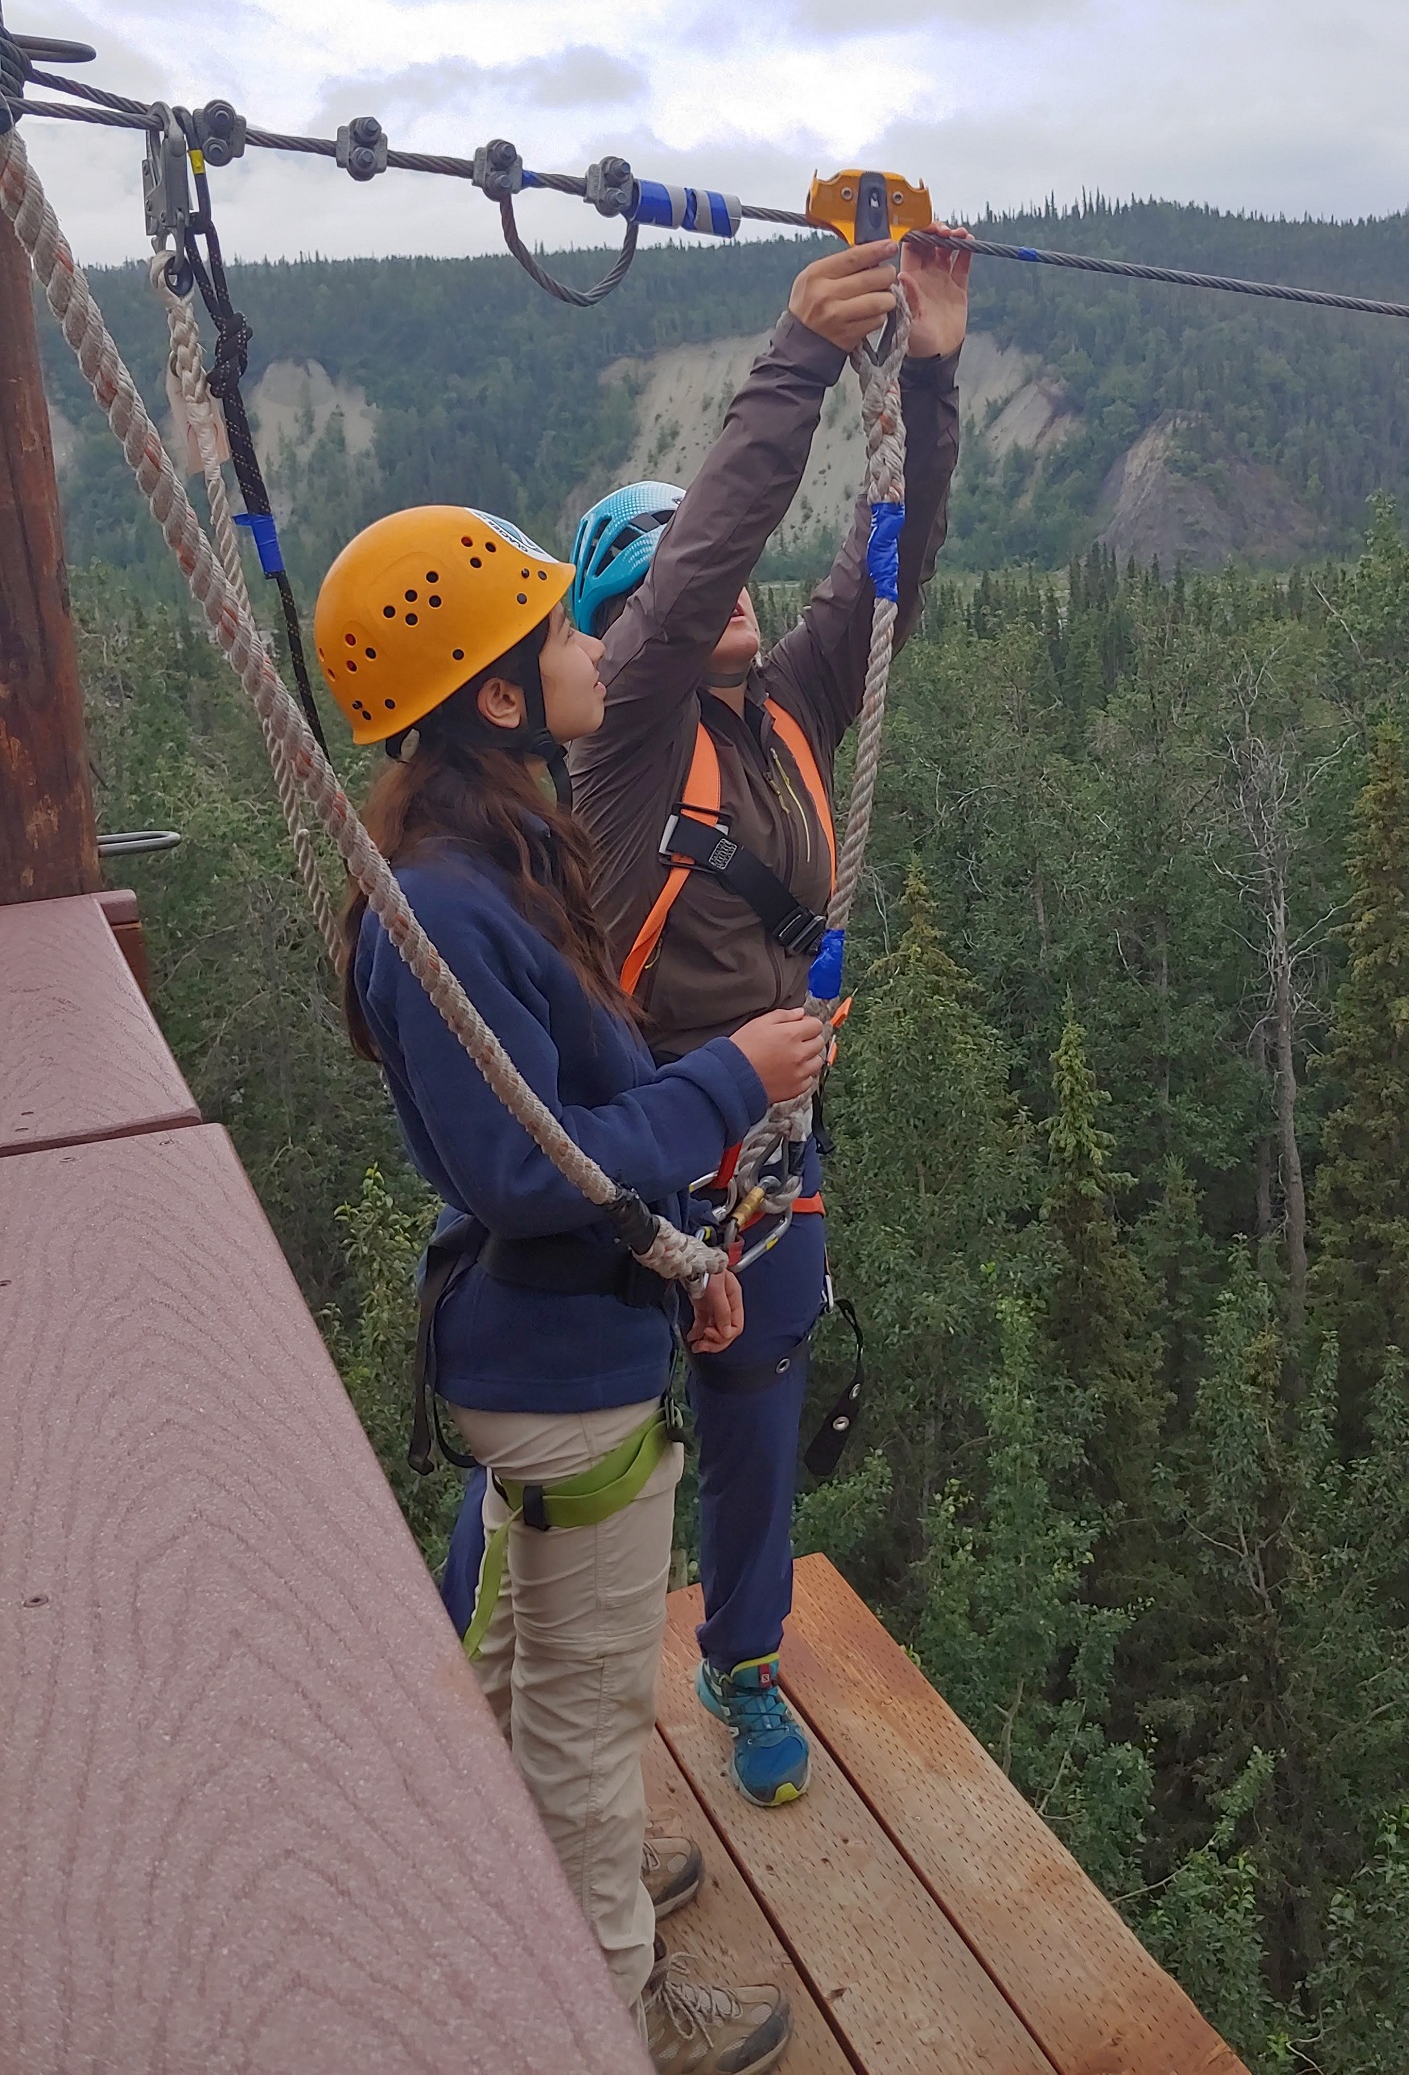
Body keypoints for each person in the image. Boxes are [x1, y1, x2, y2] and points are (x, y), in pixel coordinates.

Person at [315, 502, 826, 2073]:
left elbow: (564, 1156)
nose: (594, 648)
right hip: (553, 1377)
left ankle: (542, 1884)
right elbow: (537, 1170)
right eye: (560, 634)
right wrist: (732, 1080)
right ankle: (608, 2009)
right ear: (497, 697)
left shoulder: (483, 860)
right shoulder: (455, 909)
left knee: (535, 1667)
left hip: (567, 1337)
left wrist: (679, 1270)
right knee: (589, 1714)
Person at [565, 228, 970, 1809]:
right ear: (627, 626)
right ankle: (504, 1670)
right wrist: (797, 355)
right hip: (647, 1143)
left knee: (754, 1415)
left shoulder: (791, 706)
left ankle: (742, 1664)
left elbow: (895, 564)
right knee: (584, 1442)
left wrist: (925, 386)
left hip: (772, 1149)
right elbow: (697, 572)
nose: (723, 590)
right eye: (678, 581)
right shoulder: (626, 739)